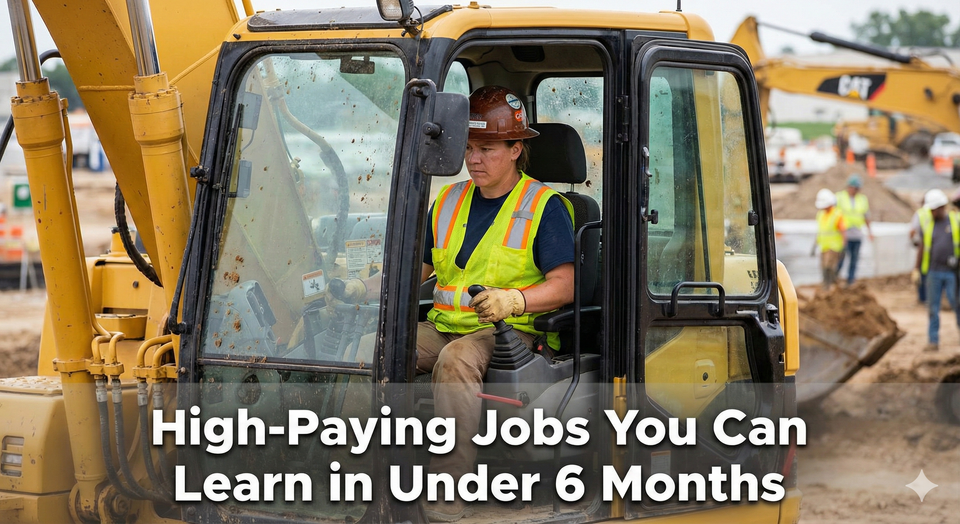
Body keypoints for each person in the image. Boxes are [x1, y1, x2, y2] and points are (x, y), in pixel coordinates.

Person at [914, 188, 960, 352]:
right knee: (933, 307)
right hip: (933, 271)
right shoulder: (928, 225)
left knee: (957, 303)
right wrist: (916, 268)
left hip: (951, 272)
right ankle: (933, 341)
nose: (932, 213)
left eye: (934, 209)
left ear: (942, 207)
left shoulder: (954, 221)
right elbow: (922, 247)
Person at [835, 174, 873, 284]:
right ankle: (835, 279)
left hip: (856, 235)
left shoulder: (862, 199)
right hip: (844, 235)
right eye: (854, 188)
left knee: (854, 260)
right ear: (849, 187)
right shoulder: (840, 197)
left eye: (857, 188)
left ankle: (850, 281)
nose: (855, 190)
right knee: (840, 259)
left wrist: (870, 231)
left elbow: (866, 216)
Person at [815, 188, 846, 288]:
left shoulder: (837, 214)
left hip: (834, 247)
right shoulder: (820, 214)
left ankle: (831, 286)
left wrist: (844, 246)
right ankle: (827, 285)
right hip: (824, 246)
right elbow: (820, 231)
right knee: (824, 267)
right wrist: (815, 245)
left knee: (830, 267)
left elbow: (843, 231)